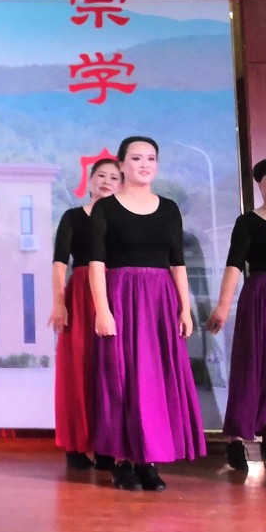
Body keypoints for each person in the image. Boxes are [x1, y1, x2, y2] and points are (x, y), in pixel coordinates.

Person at [88, 135, 205, 491]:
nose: (144, 164)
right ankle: (122, 459)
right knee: (122, 378)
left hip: (159, 302)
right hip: (121, 297)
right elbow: (96, 263)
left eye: (150, 158)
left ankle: (148, 460)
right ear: (122, 164)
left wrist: (185, 309)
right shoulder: (106, 209)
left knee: (156, 379)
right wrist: (102, 309)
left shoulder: (168, 209)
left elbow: (177, 263)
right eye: (136, 158)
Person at [207, 158, 266, 474]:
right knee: (254, 365)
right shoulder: (248, 222)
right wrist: (223, 306)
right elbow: (234, 264)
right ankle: (237, 438)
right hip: (259, 298)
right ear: (259, 184)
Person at [50, 156, 122, 471]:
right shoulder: (73, 217)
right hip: (80, 295)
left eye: (114, 177)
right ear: (90, 180)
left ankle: (108, 445)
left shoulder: (124, 219)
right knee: (78, 369)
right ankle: (77, 444)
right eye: (101, 176)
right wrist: (59, 303)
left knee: (112, 371)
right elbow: (59, 263)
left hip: (116, 294)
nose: (106, 182)